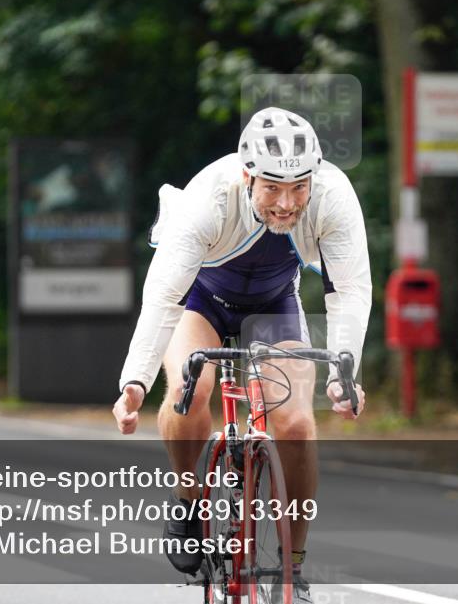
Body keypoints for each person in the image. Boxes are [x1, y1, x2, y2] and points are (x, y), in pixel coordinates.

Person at [112, 107, 370, 602]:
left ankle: (294, 568)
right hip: (199, 298)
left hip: (274, 305)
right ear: (247, 174)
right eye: (272, 187)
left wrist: (344, 370)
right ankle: (189, 503)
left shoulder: (333, 196)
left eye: (298, 188)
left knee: (295, 423)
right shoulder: (209, 197)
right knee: (193, 388)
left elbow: (351, 291)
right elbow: (164, 299)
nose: (287, 203)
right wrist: (134, 383)